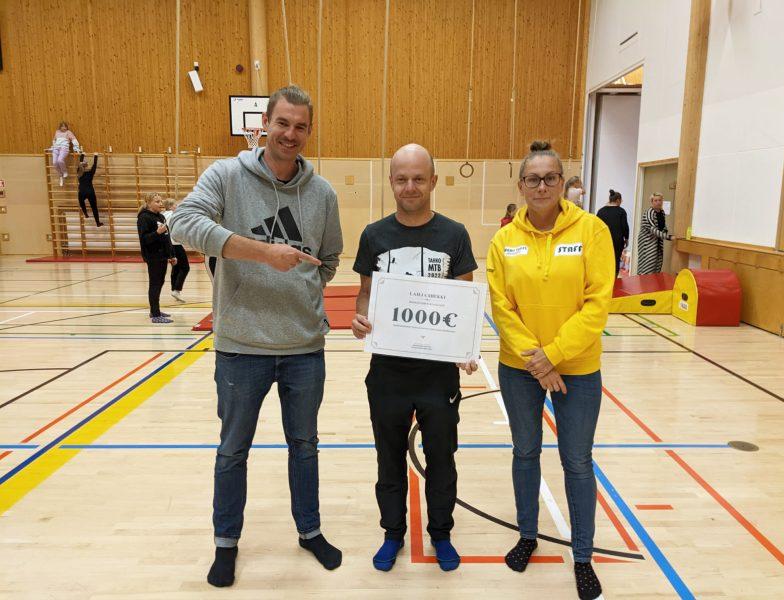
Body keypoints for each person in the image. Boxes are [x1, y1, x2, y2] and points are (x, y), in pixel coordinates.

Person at [170, 85, 344, 587]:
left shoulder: (323, 194)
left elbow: (330, 259)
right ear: (264, 123)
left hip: (304, 350)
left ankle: (310, 531)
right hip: (240, 348)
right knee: (232, 451)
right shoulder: (226, 176)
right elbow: (182, 223)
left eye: (301, 126)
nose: (290, 134)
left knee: (305, 446)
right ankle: (226, 543)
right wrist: (264, 254)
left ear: (309, 131)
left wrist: (302, 293)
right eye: (282, 123)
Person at [486, 141, 614, 600]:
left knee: (576, 461)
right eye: (533, 179)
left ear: (563, 182)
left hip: (577, 368)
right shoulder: (504, 241)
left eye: (550, 178)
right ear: (521, 185)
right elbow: (502, 308)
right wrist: (538, 363)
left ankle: (582, 556)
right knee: (525, 452)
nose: (541, 186)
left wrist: (553, 355)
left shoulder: (593, 231)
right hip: (519, 368)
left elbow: (597, 304)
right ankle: (527, 535)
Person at [351, 143, 478, 573]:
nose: (410, 186)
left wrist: (466, 347)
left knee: (442, 459)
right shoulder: (374, 235)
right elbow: (365, 293)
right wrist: (361, 319)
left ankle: (441, 532)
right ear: (391, 182)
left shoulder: (454, 234)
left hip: (438, 376)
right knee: (388, 458)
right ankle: (393, 532)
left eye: (418, 178)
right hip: (388, 373)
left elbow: (465, 298)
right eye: (402, 179)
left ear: (433, 181)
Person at [137, 192, 176, 324]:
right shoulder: (144, 217)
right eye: (157, 202)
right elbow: (144, 239)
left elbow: (166, 237)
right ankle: (155, 314)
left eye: (161, 201)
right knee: (155, 283)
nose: (161, 204)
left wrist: (171, 255)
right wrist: (157, 233)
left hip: (162, 255)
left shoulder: (161, 216)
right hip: (153, 255)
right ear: (149, 203)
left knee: (160, 282)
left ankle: (155, 310)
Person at [636, 192, 673, 274]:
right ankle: (643, 281)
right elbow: (653, 229)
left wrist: (665, 231)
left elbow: (663, 226)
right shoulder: (649, 213)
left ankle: (652, 281)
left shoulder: (662, 212)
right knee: (648, 264)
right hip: (647, 242)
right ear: (652, 202)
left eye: (660, 200)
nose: (658, 202)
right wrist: (668, 237)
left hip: (657, 241)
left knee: (657, 264)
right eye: (656, 200)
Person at [162, 198, 190, 302]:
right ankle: (177, 290)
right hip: (175, 244)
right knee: (185, 267)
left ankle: (174, 289)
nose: (177, 206)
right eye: (175, 205)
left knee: (176, 267)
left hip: (168, 244)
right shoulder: (172, 215)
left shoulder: (163, 215)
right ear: (170, 206)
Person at [596, 189, 629, 277]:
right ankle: (613, 279)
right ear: (618, 200)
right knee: (615, 260)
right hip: (617, 241)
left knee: (604, 260)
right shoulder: (621, 211)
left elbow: (596, 227)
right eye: (621, 200)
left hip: (603, 240)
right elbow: (625, 227)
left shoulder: (601, 211)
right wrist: (626, 239)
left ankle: (603, 278)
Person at [50, 121, 81, 186]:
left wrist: (76, 148)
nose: (64, 128)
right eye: (62, 126)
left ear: (67, 127)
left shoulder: (68, 132)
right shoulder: (57, 132)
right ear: (60, 127)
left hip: (64, 148)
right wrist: (53, 146)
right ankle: (60, 175)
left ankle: (64, 172)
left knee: (60, 160)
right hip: (56, 148)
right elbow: (54, 140)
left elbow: (74, 140)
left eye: (65, 126)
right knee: (54, 162)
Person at [77, 153, 102, 227]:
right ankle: (97, 223)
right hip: (90, 192)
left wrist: (82, 155)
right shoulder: (90, 173)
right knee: (94, 208)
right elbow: (94, 166)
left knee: (81, 203)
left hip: (82, 191)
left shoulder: (79, 173)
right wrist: (95, 156)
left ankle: (85, 214)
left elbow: (80, 163)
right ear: (86, 166)